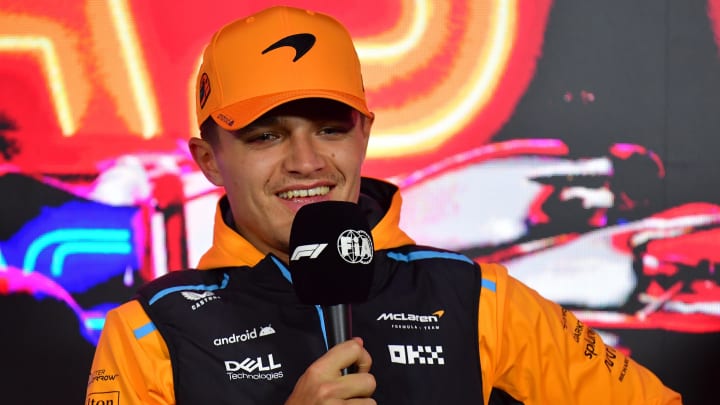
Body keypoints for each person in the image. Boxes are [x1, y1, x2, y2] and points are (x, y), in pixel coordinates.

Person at [85, 6, 683, 404]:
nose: (306, 162)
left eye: (329, 128)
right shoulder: (149, 330)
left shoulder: (478, 297)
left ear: (365, 135)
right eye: (265, 136)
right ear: (208, 159)